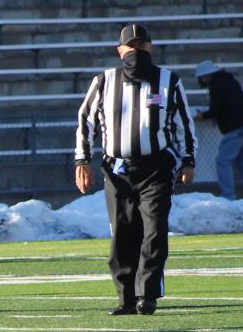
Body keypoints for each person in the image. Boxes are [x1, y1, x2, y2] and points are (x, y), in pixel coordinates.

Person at [74, 23, 197, 316]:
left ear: (150, 48)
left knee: (154, 230)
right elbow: (84, 121)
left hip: (156, 167)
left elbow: (184, 123)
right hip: (117, 170)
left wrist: (187, 160)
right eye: (131, 47)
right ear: (120, 51)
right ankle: (126, 297)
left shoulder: (168, 81)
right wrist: (82, 160)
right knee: (122, 234)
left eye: (141, 46)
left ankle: (148, 294)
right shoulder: (104, 81)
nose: (136, 52)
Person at [194, 59, 243, 200]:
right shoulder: (230, 81)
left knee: (223, 161)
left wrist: (203, 115)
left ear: (208, 75)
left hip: (236, 128)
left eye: (203, 77)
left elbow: (216, 109)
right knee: (242, 160)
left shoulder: (216, 85)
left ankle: (228, 195)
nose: (203, 80)